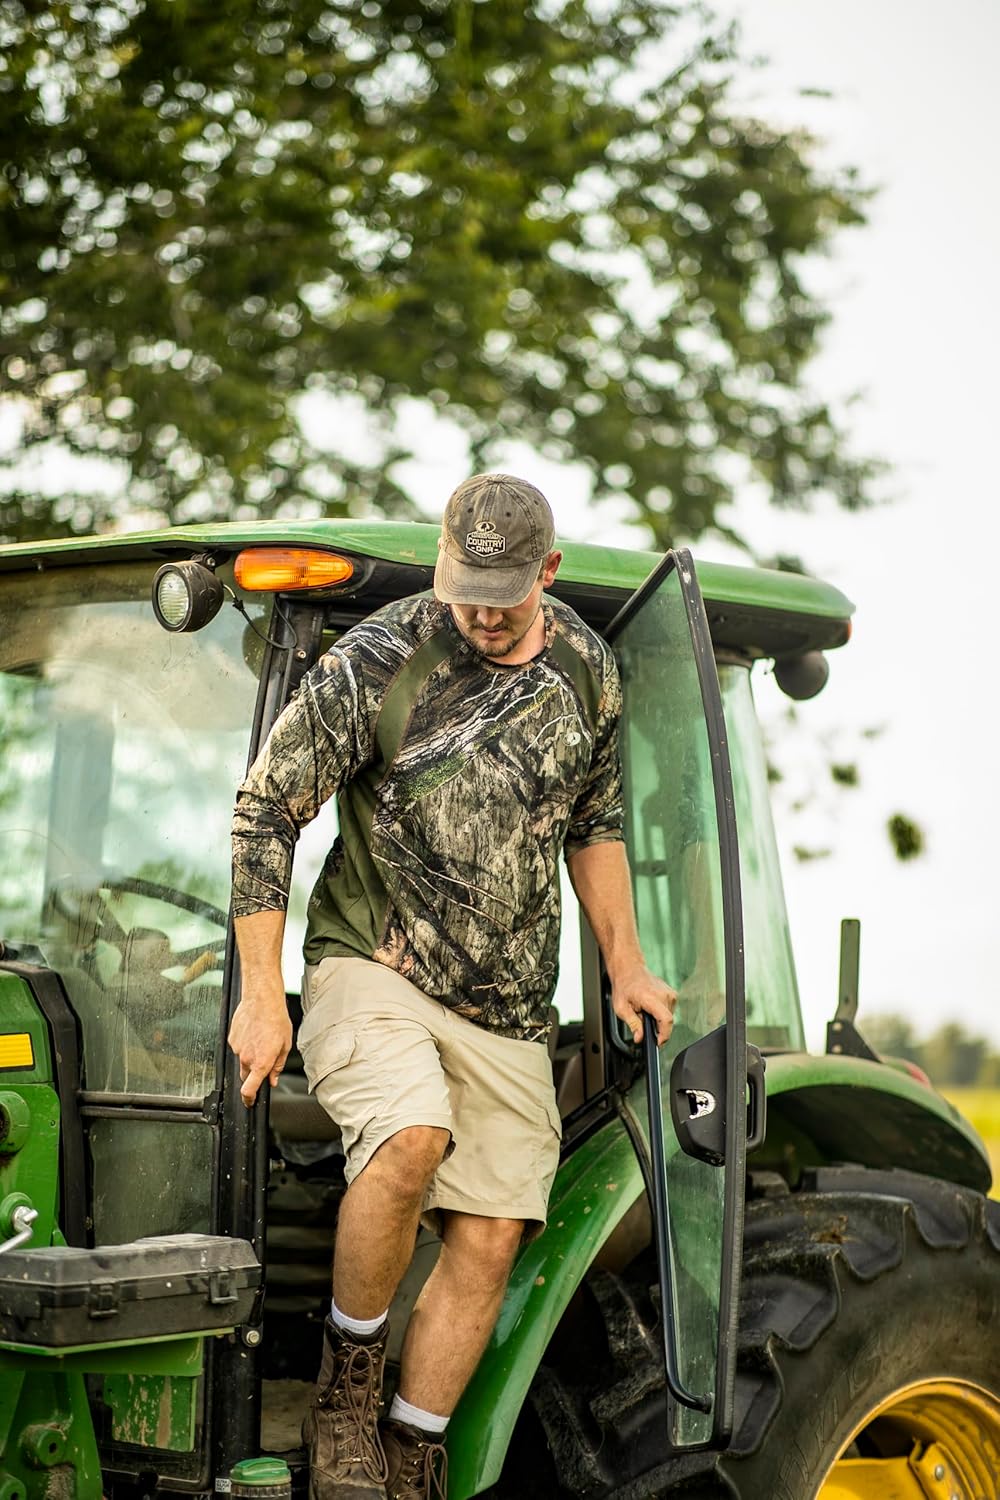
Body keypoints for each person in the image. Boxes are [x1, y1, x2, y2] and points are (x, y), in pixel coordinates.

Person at [228, 473, 676, 1500]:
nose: (478, 607)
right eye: (462, 580)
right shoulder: (379, 658)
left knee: (491, 1234)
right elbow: (265, 812)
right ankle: (347, 1389)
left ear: (547, 573)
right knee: (409, 1137)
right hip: (370, 965)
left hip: (511, 1009)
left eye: (503, 591)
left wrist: (630, 963)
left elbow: (594, 827)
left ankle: (413, 1448)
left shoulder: (587, 674)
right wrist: (261, 996)